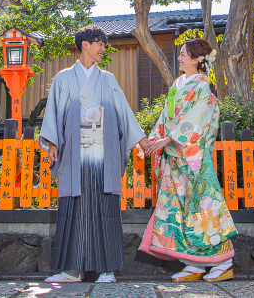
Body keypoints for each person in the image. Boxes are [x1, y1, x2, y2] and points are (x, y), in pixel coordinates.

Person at [39, 25, 150, 283]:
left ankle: (106, 269)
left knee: (105, 207)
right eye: (98, 43)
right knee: (72, 207)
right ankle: (71, 270)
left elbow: (124, 113)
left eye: (104, 44)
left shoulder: (108, 80)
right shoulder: (63, 79)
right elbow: (54, 113)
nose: (103, 48)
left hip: (103, 152)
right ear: (84, 45)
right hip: (74, 154)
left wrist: (142, 140)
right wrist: (52, 142)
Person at [139, 38, 237, 282]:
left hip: (193, 158)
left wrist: (169, 139)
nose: (179, 57)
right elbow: (166, 115)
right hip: (175, 157)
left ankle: (223, 262)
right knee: (178, 210)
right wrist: (154, 140)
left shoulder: (203, 86)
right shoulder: (178, 83)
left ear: (196, 60)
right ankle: (192, 263)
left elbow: (197, 119)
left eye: (183, 54)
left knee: (204, 207)